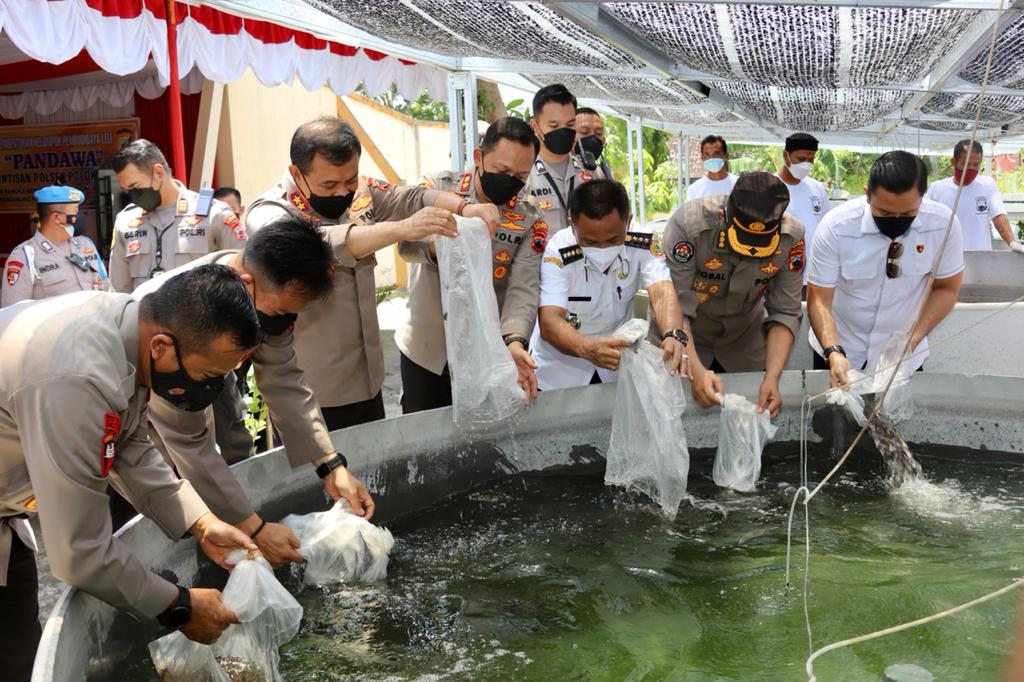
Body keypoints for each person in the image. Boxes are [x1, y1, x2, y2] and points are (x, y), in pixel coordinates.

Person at [0, 265, 262, 681]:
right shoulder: (78, 376)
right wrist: (178, 606)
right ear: (162, 346)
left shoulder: (130, 329)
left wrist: (201, 523)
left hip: (7, 513)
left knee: (17, 654)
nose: (211, 388)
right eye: (208, 376)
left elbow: (127, 444)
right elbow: (79, 552)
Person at [133, 216, 375, 568]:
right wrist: (255, 528)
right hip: (139, 402)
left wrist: (331, 465)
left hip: (208, 379)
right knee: (154, 481)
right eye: (279, 312)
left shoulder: (263, 300)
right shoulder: (182, 320)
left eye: (291, 315)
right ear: (247, 282)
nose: (281, 324)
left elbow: (284, 380)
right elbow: (188, 441)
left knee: (229, 448)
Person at [244, 116, 498, 431]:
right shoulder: (269, 212)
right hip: (308, 393)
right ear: (297, 173)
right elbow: (314, 243)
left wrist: (465, 208)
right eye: (329, 185)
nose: (342, 192)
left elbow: (412, 197)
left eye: (350, 180)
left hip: (367, 382)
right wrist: (401, 228)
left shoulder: (361, 193)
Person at [398, 117, 544, 413]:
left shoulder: (529, 216)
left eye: (520, 175)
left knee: (483, 433)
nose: (510, 181)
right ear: (478, 157)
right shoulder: (437, 190)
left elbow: (523, 286)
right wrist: (442, 243)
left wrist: (515, 341)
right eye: (502, 171)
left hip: (487, 351)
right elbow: (406, 245)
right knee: (423, 431)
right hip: (429, 349)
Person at [808, 151, 964, 388]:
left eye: (908, 214)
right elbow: (819, 299)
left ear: (922, 198)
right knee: (832, 411)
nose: (896, 220)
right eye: (885, 213)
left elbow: (947, 289)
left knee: (897, 412)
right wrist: (833, 351)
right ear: (867, 194)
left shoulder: (943, 226)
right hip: (839, 351)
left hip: (904, 357)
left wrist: (911, 341)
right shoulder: (836, 228)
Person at [660, 172, 804, 416]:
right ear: (724, 215)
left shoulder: (791, 238)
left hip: (743, 342)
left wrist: (772, 377)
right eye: (745, 240)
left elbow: (785, 312)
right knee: (673, 415)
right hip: (686, 340)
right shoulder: (689, 226)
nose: (751, 251)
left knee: (749, 415)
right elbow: (676, 306)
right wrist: (694, 368)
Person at [532, 179, 688, 389]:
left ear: (628, 220)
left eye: (613, 240)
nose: (602, 248)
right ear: (573, 225)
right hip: (560, 372)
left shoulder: (643, 242)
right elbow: (550, 320)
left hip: (616, 368)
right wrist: (587, 349)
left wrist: (672, 333)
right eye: (590, 242)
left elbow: (662, 292)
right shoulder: (558, 250)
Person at [108, 140, 246, 293]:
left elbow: (241, 275)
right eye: (127, 190)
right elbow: (119, 291)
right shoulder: (126, 221)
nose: (133, 196)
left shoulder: (213, 214)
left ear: (158, 173)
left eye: (135, 187)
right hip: (144, 308)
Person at [1, 185, 109, 307]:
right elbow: (13, 312)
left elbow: (106, 288)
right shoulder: (24, 256)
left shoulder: (86, 245)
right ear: (57, 217)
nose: (80, 216)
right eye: (75, 211)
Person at [525, 84, 603, 235]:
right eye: (554, 126)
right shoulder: (523, 174)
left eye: (570, 124)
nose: (563, 131)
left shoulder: (591, 172)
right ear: (535, 126)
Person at [925, 139, 1022, 253]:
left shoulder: (987, 185)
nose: (971, 169)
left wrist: (1012, 242)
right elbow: (926, 223)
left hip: (981, 258)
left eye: (976, 165)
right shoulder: (937, 189)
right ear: (953, 162)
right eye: (966, 164)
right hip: (948, 258)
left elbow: (998, 215)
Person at [778, 133, 832, 284]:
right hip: (781, 272)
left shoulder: (816, 188)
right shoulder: (771, 186)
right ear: (785, 156)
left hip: (813, 273)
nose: (806, 165)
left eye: (811, 160)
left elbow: (826, 225)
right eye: (801, 159)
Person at [685, 135, 738, 201]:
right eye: (707, 154)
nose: (712, 157)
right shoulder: (694, 189)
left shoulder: (738, 184)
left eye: (716, 153)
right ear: (702, 158)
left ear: (726, 156)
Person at [575, 106, 612, 180]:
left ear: (604, 139)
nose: (592, 137)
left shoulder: (602, 173)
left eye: (598, 133)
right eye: (584, 132)